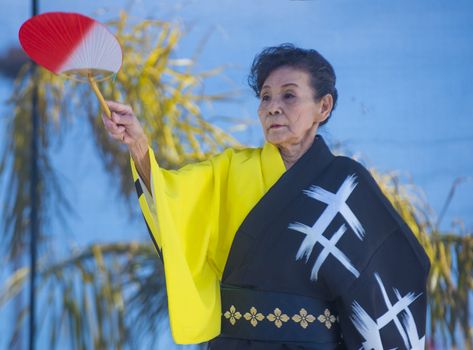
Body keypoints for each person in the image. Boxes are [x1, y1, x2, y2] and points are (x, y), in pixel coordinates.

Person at [102, 44, 430, 349]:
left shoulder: (345, 184)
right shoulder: (231, 169)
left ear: (323, 106)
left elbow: (394, 271)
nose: (273, 108)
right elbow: (171, 197)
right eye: (265, 97)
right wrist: (139, 145)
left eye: (289, 96)